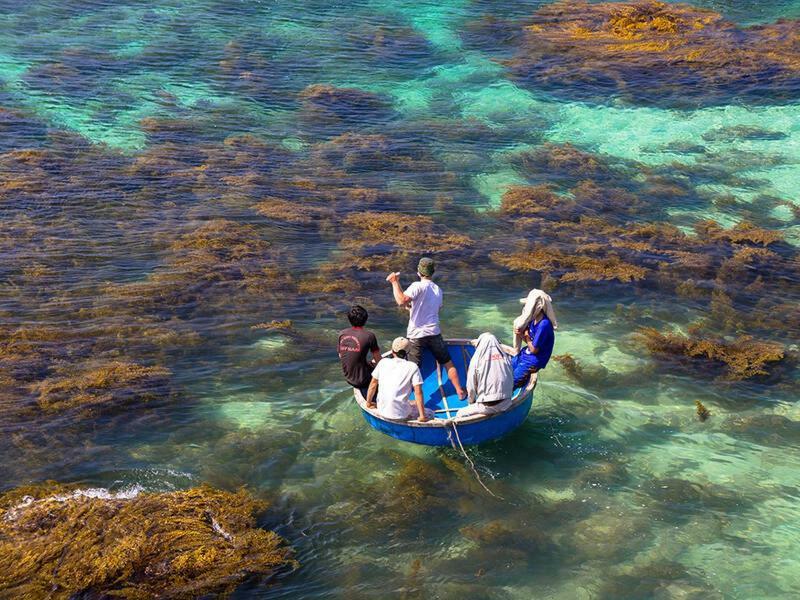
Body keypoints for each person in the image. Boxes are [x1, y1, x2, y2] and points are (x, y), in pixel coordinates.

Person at [386, 257, 467, 400]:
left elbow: (401, 300)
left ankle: (405, 398)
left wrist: (394, 282)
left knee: (412, 369)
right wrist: (412, 308)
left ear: (419, 272)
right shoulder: (438, 290)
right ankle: (459, 391)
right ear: (432, 272)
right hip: (434, 333)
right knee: (448, 362)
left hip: (416, 334)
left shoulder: (417, 286)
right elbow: (431, 308)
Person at [365, 337, 432, 422]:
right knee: (429, 412)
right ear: (408, 352)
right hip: (401, 415)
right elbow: (418, 392)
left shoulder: (383, 362)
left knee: (412, 402)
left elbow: (373, 385)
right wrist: (422, 416)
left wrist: (368, 403)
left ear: (392, 351)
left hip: (381, 411)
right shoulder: (412, 366)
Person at [456, 333, 514, 418]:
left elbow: (471, 386)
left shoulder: (475, 361)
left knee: (460, 413)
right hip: (506, 403)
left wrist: (471, 402)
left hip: (487, 406)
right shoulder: (506, 358)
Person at [337, 305, 382, 399]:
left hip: (348, 377)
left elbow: (341, 356)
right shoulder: (369, 336)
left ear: (349, 319)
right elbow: (378, 360)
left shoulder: (342, 334)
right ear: (365, 319)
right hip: (362, 380)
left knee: (369, 364)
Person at [512, 311, 555, 389]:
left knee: (511, 383)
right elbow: (530, 343)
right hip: (525, 354)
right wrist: (521, 334)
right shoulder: (532, 320)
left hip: (533, 360)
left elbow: (534, 350)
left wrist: (526, 335)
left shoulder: (544, 324)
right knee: (506, 371)